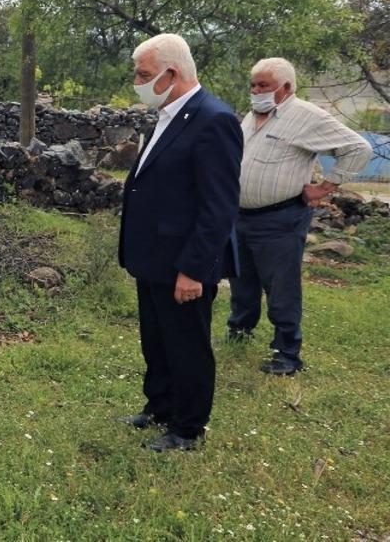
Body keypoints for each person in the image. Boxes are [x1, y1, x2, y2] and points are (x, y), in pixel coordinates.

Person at [117, 34, 242, 452]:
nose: (137, 81)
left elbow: (218, 206)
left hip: (183, 262)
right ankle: (160, 405)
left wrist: (193, 269)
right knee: (157, 339)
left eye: (144, 74)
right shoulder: (170, 115)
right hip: (154, 256)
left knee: (187, 345)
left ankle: (188, 427)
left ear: (172, 73)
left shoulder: (213, 119)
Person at [227, 58, 373, 376]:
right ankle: (239, 331)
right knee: (242, 279)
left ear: (287, 87)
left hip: (280, 218)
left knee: (281, 286)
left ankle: (287, 353)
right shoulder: (251, 117)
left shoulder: (306, 116)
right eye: (253, 85)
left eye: (263, 85)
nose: (255, 91)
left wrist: (325, 187)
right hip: (240, 216)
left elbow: (358, 147)